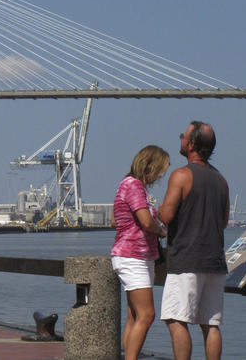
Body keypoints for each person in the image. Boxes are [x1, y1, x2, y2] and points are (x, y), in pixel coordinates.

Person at [158, 121, 230, 360]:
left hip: (186, 260)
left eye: (183, 136)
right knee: (211, 323)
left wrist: (157, 209)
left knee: (175, 318)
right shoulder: (221, 180)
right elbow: (223, 221)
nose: (180, 139)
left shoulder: (181, 175)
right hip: (215, 262)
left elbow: (166, 216)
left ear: (191, 144)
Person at [110, 145, 169, 360]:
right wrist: (161, 230)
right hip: (133, 256)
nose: (160, 177)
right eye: (160, 171)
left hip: (133, 256)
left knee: (134, 316)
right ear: (150, 166)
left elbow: (114, 221)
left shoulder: (125, 185)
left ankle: (128, 356)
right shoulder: (134, 185)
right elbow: (145, 222)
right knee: (147, 314)